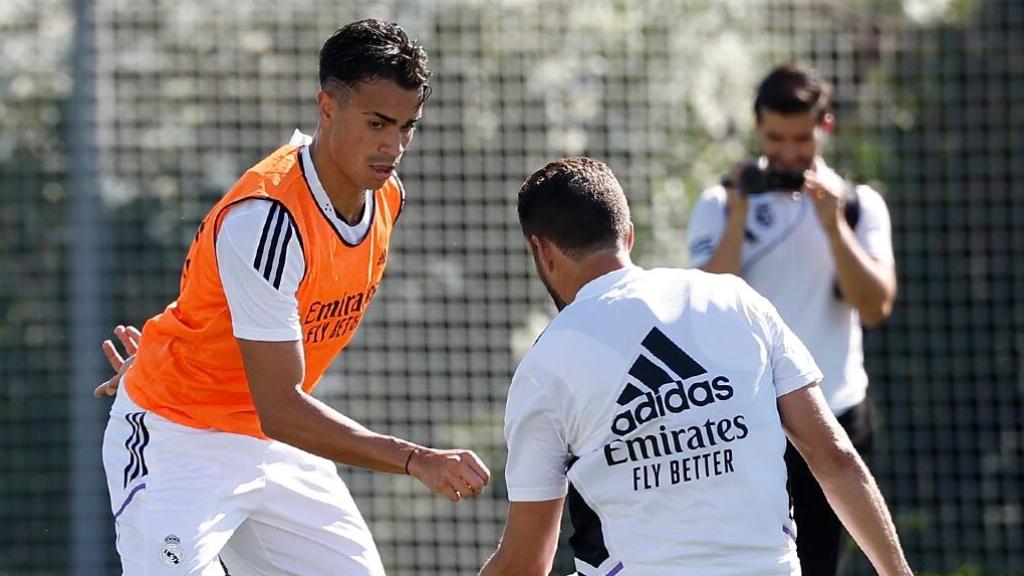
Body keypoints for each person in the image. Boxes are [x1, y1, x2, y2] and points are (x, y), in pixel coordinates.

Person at [94, 19, 490, 575]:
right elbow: (281, 406)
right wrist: (413, 458)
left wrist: (176, 351)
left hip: (274, 444)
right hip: (177, 437)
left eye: (407, 126)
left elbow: (237, 329)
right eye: (377, 122)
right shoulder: (267, 220)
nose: (393, 145)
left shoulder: (386, 197)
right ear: (327, 107)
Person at [478, 156, 910, 576]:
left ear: (542, 250)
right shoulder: (736, 299)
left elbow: (525, 564)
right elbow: (834, 458)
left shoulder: (545, 364)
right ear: (627, 236)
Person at [686, 63, 898, 575]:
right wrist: (739, 216)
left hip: (835, 413)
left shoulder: (856, 206)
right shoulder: (719, 203)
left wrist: (833, 230)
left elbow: (875, 305)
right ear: (758, 128)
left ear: (824, 128)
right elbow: (703, 308)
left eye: (800, 138)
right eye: (775, 137)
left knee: (817, 563)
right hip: (746, 418)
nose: (786, 152)